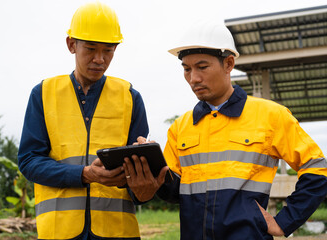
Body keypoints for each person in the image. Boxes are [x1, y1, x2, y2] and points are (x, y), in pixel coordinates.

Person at [130, 21, 327, 240]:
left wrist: (285, 221)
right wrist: (150, 174)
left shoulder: (271, 116)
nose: (193, 78)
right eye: (187, 69)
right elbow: (174, 191)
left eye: (202, 67)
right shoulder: (180, 127)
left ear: (229, 64)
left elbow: (317, 168)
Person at [18, 2, 162, 239]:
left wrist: (144, 187)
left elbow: (138, 177)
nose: (99, 59)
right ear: (71, 45)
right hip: (59, 232)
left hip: (117, 231)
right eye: (91, 49)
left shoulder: (130, 98)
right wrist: (84, 174)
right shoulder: (43, 94)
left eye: (108, 50)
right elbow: (29, 161)